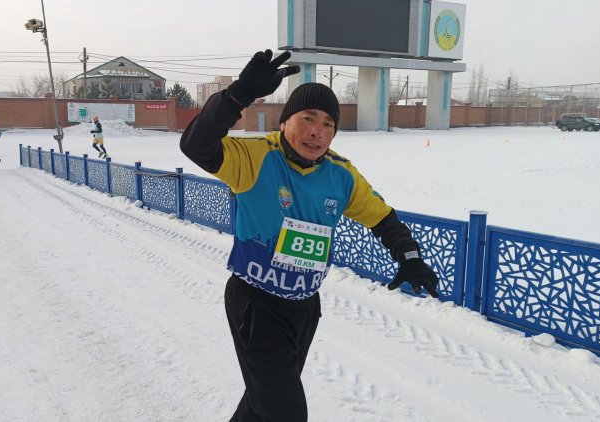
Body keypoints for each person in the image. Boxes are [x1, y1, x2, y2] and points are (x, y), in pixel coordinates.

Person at [180, 49, 439, 421]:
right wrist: (238, 94)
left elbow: (382, 218)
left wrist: (409, 256)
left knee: (262, 404)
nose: (317, 131)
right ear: (285, 122)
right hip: (256, 305)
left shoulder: (340, 175)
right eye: (308, 119)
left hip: (304, 308)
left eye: (328, 124)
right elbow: (196, 145)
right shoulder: (254, 158)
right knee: (286, 412)